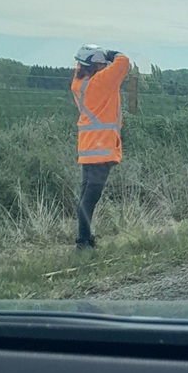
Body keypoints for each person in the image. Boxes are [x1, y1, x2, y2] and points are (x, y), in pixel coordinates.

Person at [70, 43, 130, 250]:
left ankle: (86, 238)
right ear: (95, 65)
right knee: (90, 198)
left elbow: (81, 67)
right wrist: (111, 53)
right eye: (102, 63)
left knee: (86, 196)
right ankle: (83, 241)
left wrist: (95, 56)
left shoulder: (79, 84)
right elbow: (123, 62)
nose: (105, 66)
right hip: (101, 148)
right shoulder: (101, 82)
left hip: (88, 148)